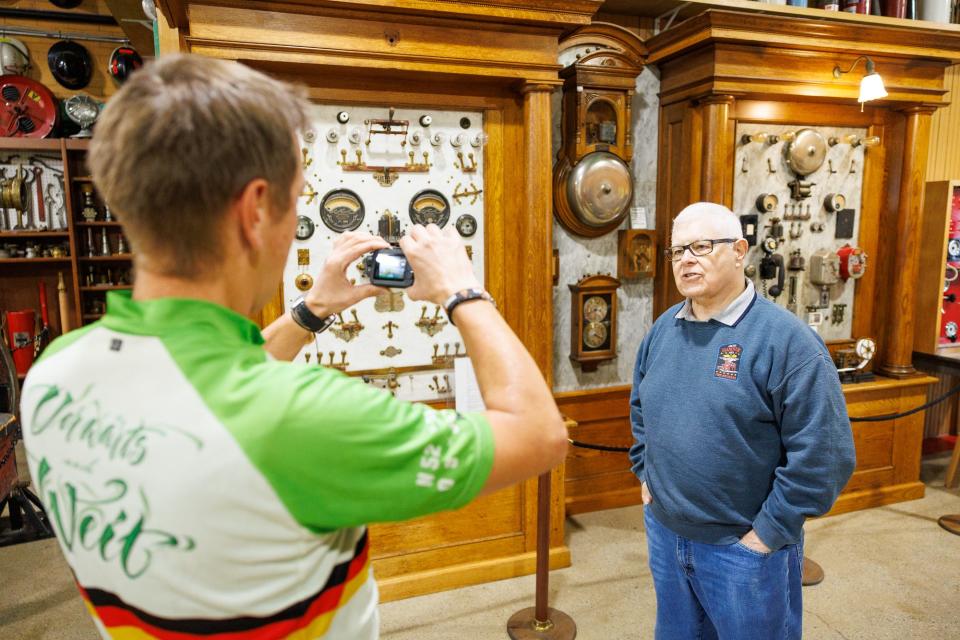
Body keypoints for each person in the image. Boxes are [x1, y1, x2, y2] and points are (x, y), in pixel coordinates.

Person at [19, 55, 567, 639]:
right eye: (295, 198)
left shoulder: (56, 371)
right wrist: (463, 291)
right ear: (255, 210)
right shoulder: (300, 414)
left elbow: (210, 388)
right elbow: (540, 436)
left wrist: (314, 309)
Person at [629, 202, 856, 640]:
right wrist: (646, 474)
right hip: (665, 533)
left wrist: (766, 536)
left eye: (700, 246)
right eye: (677, 251)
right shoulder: (662, 330)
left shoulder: (788, 342)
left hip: (745, 548)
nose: (686, 260)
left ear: (739, 251)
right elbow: (641, 408)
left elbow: (824, 457)